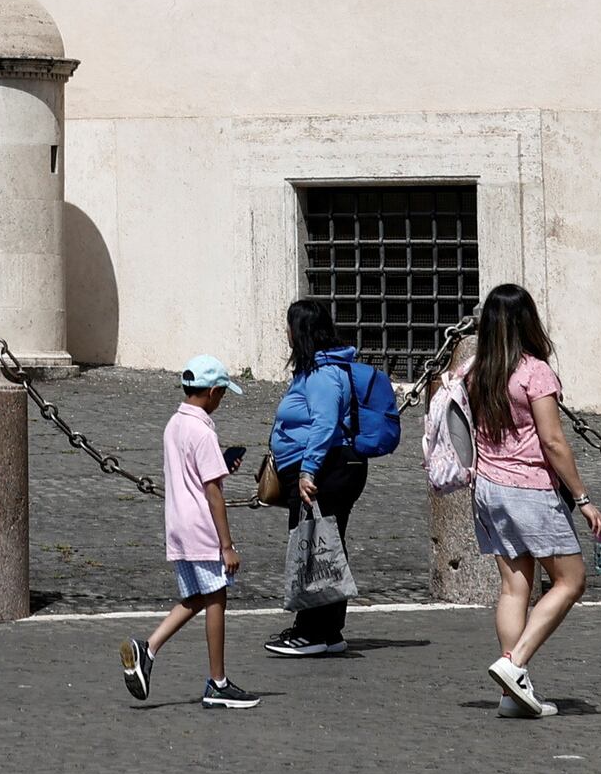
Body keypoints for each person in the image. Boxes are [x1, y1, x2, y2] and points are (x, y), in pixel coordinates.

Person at [439, 283, 601, 719]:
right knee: (571, 581)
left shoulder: (476, 371)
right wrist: (584, 499)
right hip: (530, 489)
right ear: (527, 321)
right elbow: (553, 442)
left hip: (488, 489)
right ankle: (514, 666)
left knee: (514, 586)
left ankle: (511, 693)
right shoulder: (535, 372)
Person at [259, 297, 401, 659]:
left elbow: (324, 425)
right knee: (319, 546)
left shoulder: (324, 375)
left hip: (327, 472)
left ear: (301, 330)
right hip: (325, 470)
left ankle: (317, 632)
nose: (285, 331)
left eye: (288, 325)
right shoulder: (314, 370)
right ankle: (322, 628)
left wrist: (307, 470)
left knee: (316, 548)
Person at [125, 356, 257, 713]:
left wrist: (221, 461)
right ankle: (218, 683)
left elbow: (194, 472)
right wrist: (227, 545)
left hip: (179, 524)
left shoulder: (174, 424)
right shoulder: (203, 430)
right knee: (216, 598)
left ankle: (148, 649)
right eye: (222, 395)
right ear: (212, 392)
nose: (222, 402)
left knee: (198, 596)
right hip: (201, 526)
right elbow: (212, 491)